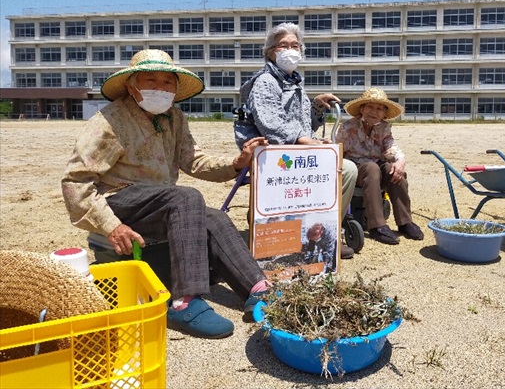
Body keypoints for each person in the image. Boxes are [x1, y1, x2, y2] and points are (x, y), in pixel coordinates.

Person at [61, 49, 271, 340]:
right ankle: (183, 300)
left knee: (213, 217)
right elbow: (77, 179)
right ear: (132, 86)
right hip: (118, 199)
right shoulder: (109, 121)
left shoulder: (174, 118)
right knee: (186, 197)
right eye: (151, 81)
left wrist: (237, 163)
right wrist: (111, 225)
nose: (160, 88)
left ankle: (257, 288)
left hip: (159, 202)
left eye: (167, 82)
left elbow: (194, 160)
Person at [234, 22, 357, 259]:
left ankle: (324, 228)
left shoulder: (295, 81)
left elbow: (305, 124)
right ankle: (297, 229)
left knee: (346, 168)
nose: (291, 50)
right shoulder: (265, 82)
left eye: (295, 45)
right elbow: (269, 123)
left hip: (294, 147)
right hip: (272, 148)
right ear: (271, 52)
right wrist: (303, 141)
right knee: (346, 168)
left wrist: (317, 105)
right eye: (284, 45)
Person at [336, 88, 424, 245]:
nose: (374, 112)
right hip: (356, 170)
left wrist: (400, 161)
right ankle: (377, 226)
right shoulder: (348, 127)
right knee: (372, 168)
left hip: (376, 167)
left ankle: (405, 222)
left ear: (384, 113)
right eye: (370, 107)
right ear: (362, 109)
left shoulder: (384, 127)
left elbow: (391, 147)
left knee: (395, 171)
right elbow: (337, 152)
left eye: (379, 108)